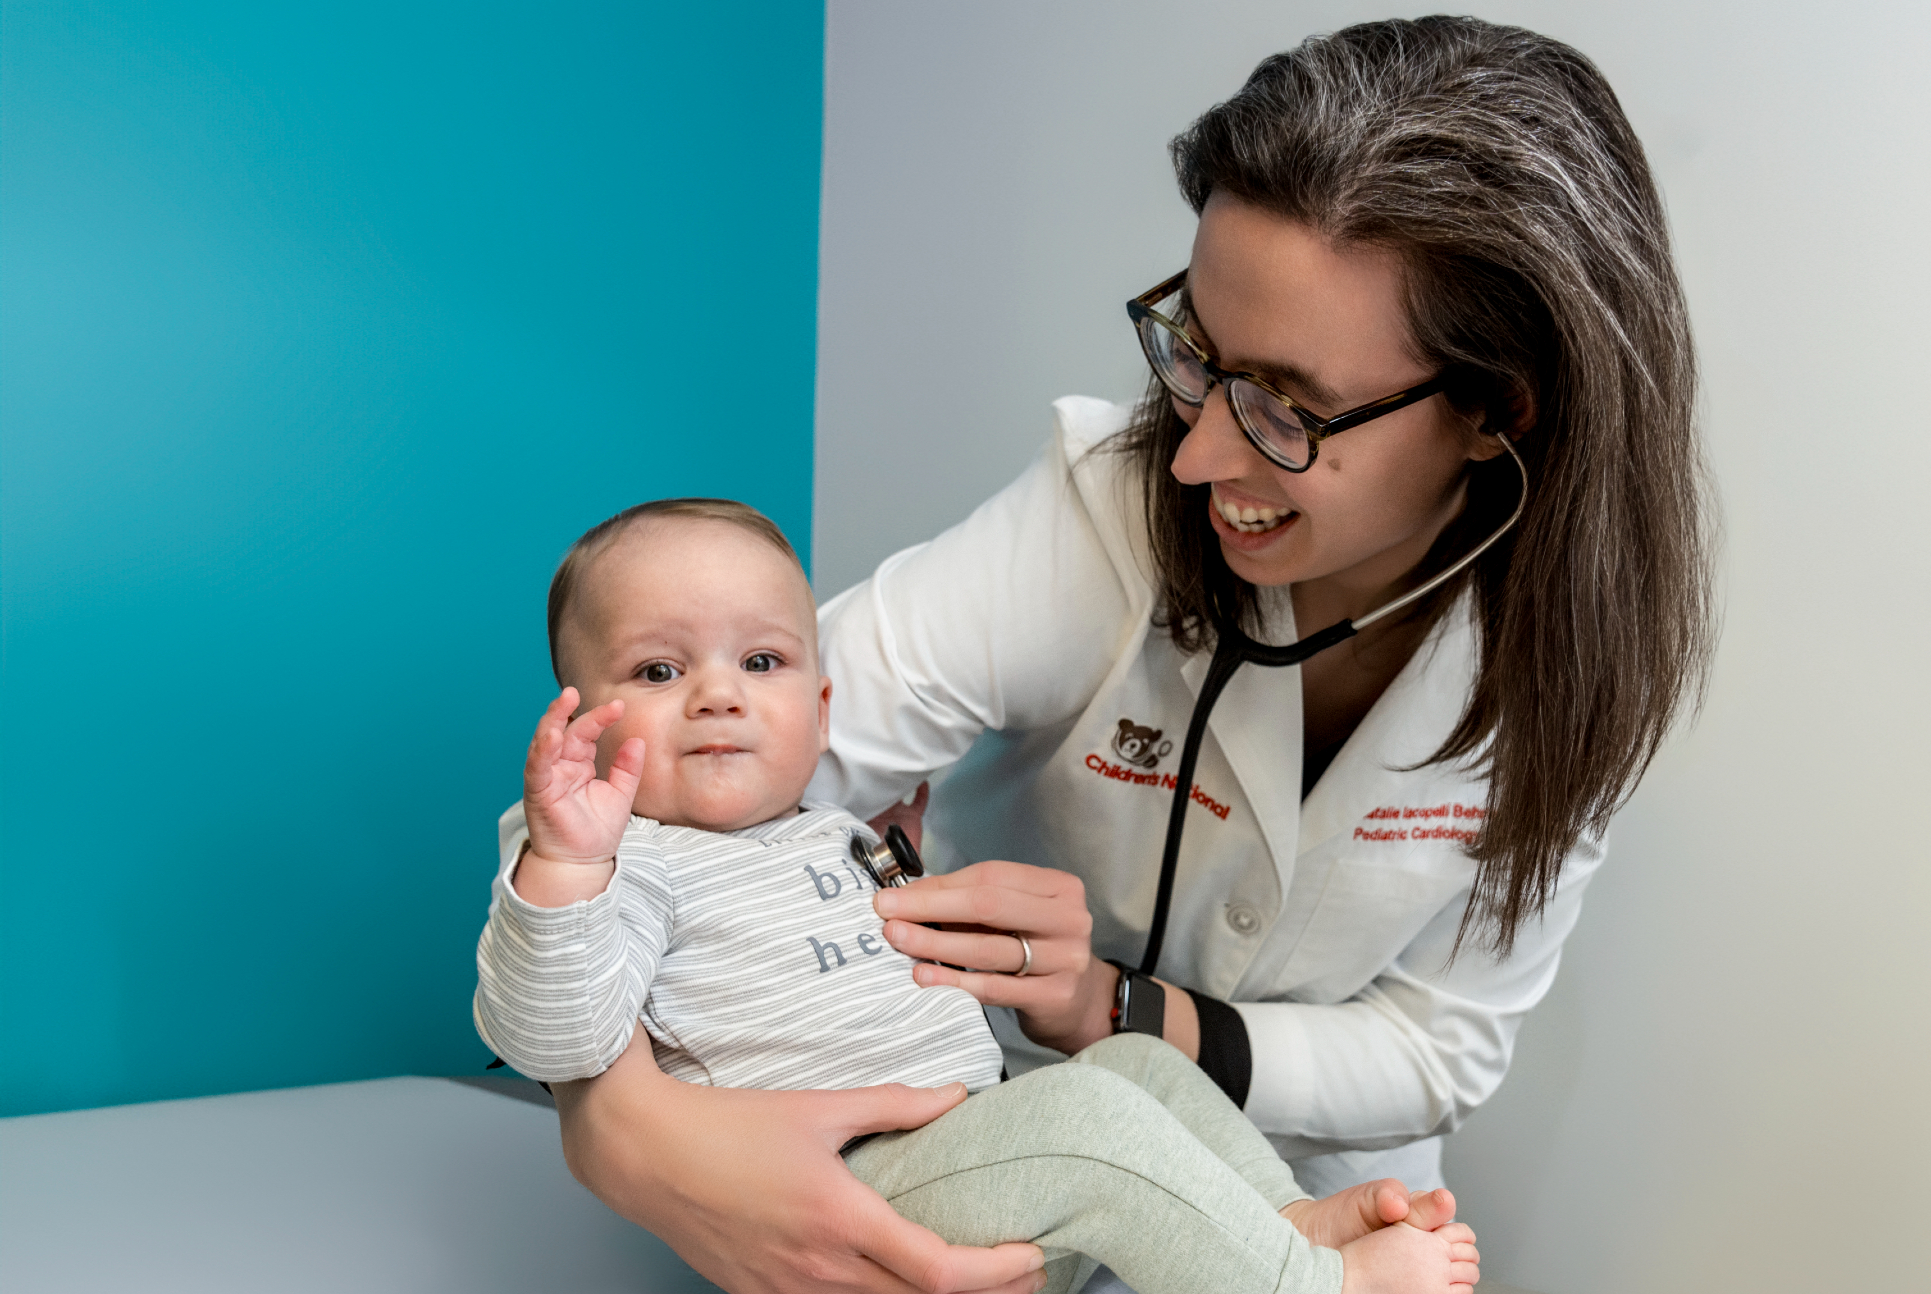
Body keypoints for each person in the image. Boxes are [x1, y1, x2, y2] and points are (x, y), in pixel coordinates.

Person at [542, 17, 1708, 1294]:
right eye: (1195, 353)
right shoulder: (1097, 514)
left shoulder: (1568, 666)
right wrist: (632, 1137)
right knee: (1103, 1118)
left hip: (1290, 1178)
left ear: (1496, 409)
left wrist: (1116, 1005)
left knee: (1142, 1106)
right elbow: (628, 792)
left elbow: (1435, 1051)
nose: (1197, 454)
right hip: (969, 1153)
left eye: (1286, 407)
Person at [472, 498, 1480, 1294]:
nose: (718, 693)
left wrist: (895, 866)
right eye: (658, 667)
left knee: (1134, 1068)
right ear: (584, 729)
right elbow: (554, 1033)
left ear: (821, 712)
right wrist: (564, 862)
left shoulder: (834, 831)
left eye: (763, 659)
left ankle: (1273, 1222)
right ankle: (1301, 1286)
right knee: (1091, 1113)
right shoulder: (633, 864)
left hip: (981, 1158)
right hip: (858, 1192)